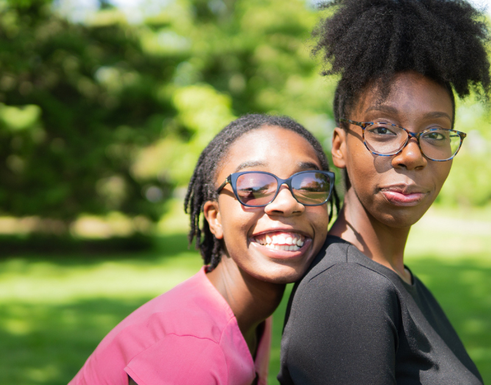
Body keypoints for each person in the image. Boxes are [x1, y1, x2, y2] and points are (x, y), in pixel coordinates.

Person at [278, 0, 491, 384]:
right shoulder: (346, 291)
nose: (411, 155)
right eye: (382, 129)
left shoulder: (395, 277)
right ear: (339, 147)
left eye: (434, 133)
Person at [69, 114, 337, 385]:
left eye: (309, 185)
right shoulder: (192, 349)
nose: (287, 203)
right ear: (215, 218)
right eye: (254, 187)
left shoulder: (253, 318)